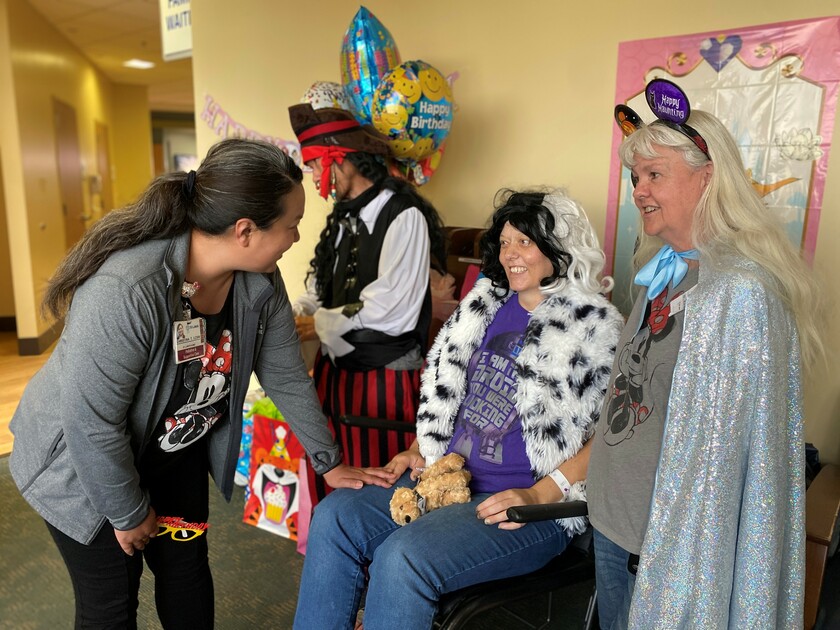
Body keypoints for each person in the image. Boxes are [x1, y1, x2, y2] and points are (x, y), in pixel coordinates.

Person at [9, 138, 392, 628]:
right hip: (84, 465)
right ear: (246, 230)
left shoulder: (259, 281)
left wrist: (329, 462)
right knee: (111, 602)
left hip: (172, 450)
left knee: (186, 570)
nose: (296, 237)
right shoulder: (127, 289)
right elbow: (91, 423)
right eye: (292, 225)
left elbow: (284, 373)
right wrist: (127, 513)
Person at [293, 188, 624, 630]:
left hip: (530, 507)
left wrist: (541, 493)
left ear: (558, 245)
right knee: (335, 516)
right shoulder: (485, 306)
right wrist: (419, 448)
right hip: (448, 480)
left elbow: (612, 435)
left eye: (525, 241)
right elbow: (454, 398)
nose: (511, 254)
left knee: (403, 557)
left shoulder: (594, 325)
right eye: (505, 242)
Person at [587, 80, 825, 629]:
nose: (638, 190)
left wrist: (678, 549)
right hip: (609, 519)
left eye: (654, 174)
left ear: (708, 176)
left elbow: (727, 462)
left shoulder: (740, 291)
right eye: (634, 177)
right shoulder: (658, 273)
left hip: (665, 549)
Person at [288, 103, 448, 501]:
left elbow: (393, 309)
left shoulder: (404, 214)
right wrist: (300, 312)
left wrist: (318, 324)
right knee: (332, 482)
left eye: (313, 165)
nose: (312, 177)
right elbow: (322, 284)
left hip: (384, 381)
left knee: (381, 494)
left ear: (339, 160)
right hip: (335, 373)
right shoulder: (342, 217)